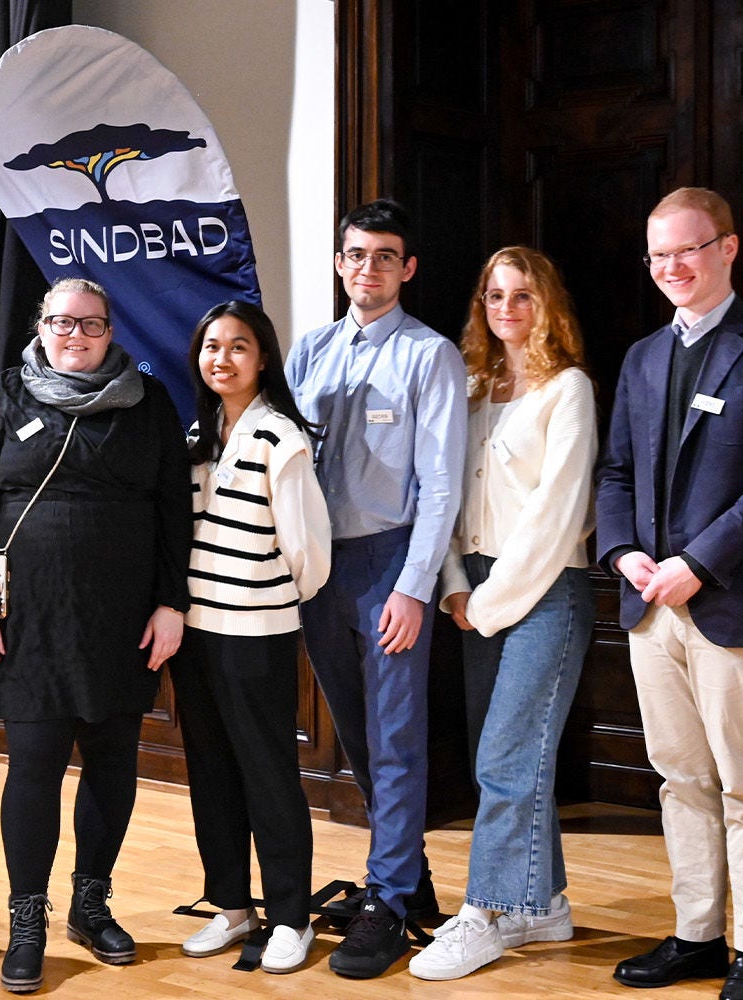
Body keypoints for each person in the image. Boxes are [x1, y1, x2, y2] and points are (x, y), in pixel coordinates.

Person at [596, 187, 743, 1000]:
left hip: (733, 602)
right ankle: (697, 934)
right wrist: (623, 552)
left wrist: (697, 561)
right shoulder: (642, 358)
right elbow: (616, 471)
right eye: (658, 255)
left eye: (687, 251)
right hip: (650, 604)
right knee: (680, 780)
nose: (671, 268)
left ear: (727, 249)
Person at [0, 277, 192, 994]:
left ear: (112, 331)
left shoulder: (149, 403)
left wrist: (170, 602)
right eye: (62, 322)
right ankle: (28, 921)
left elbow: (174, 508)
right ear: (41, 326)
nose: (76, 335)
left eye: (90, 324)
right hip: (27, 618)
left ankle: (91, 904)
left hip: (123, 616)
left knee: (114, 760)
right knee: (34, 764)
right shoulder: (1, 397)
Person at [284, 198, 468, 978]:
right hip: (318, 567)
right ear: (340, 263)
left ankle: (387, 900)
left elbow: (441, 484)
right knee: (356, 734)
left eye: (385, 256)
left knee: (395, 740)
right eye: (357, 254)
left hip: (389, 563)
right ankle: (412, 874)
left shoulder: (429, 357)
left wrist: (414, 586)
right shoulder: (309, 352)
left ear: (408, 267)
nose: (369, 268)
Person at [409, 246, 597, 980]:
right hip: (477, 592)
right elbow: (446, 495)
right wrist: (456, 584)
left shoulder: (567, 390)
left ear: (546, 303)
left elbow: (559, 513)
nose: (507, 309)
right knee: (518, 757)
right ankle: (543, 903)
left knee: (506, 758)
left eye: (522, 295)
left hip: (545, 591)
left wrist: (485, 601)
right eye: (494, 295)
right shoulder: (474, 388)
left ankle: (484, 910)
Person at [173, 301, 332, 974]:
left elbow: (311, 555)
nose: (223, 359)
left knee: (269, 776)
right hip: (195, 634)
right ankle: (233, 908)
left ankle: (292, 917)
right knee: (211, 774)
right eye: (212, 347)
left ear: (262, 357)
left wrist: (263, 598)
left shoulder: (279, 437)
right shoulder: (197, 436)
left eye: (239, 347)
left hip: (256, 633)